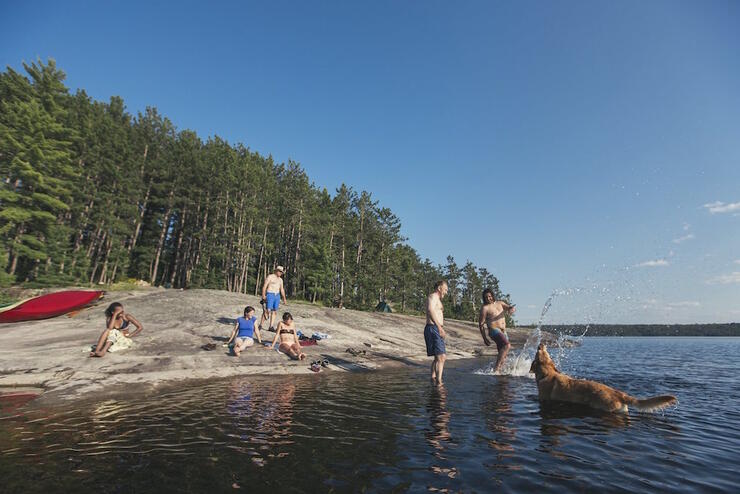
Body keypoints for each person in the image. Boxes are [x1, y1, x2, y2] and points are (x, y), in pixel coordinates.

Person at [478, 288, 516, 372]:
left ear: (492, 296)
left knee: (503, 355)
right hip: (494, 330)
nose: (488, 298)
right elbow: (481, 324)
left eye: (490, 296)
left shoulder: (500, 303)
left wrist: (511, 309)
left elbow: (509, 307)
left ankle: (500, 372)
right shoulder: (485, 308)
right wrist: (485, 338)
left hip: (503, 331)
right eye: (486, 297)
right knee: (507, 346)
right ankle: (496, 369)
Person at [425, 280, 448, 386]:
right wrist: (439, 327)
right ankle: (439, 382)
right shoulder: (433, 296)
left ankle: (433, 378)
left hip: (435, 328)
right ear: (439, 288)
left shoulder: (437, 299)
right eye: (445, 289)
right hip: (433, 328)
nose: (446, 292)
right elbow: (430, 310)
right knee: (441, 357)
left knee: (437, 357)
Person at [261, 266, 287, 331]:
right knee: (267, 310)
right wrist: (263, 295)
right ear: (276, 271)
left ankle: (271, 326)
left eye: (281, 272)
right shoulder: (270, 277)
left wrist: (284, 299)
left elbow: (282, 289)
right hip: (270, 293)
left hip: (277, 295)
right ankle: (261, 325)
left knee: (274, 311)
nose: (281, 273)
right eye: (280, 271)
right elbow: (264, 286)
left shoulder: (280, 280)